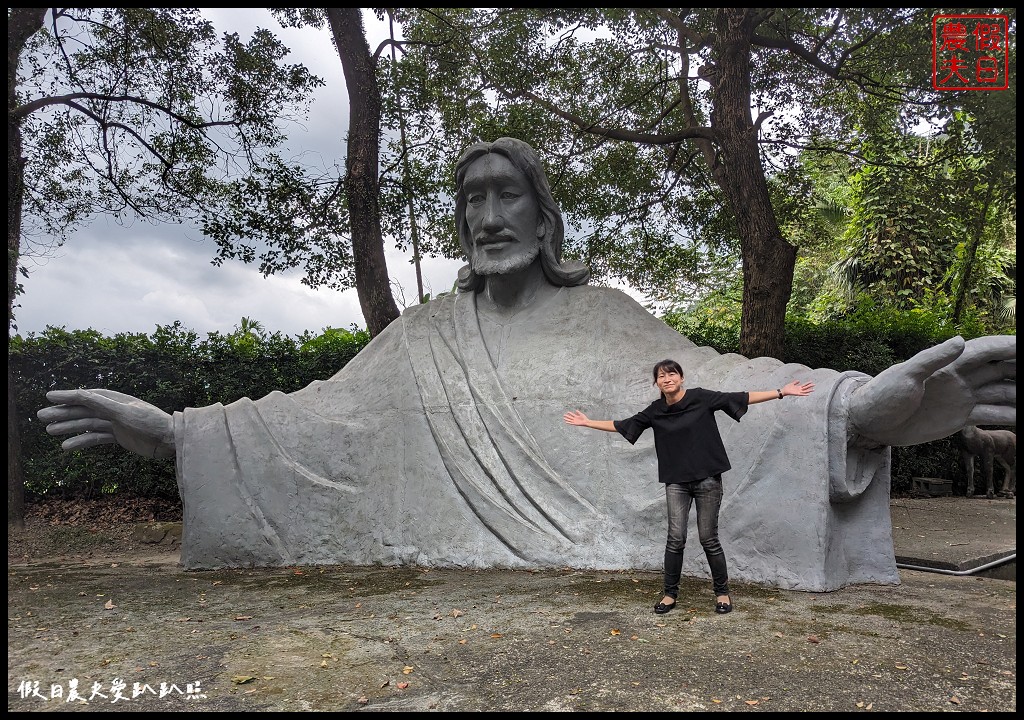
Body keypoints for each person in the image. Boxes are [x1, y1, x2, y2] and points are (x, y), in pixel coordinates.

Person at [37, 137, 1016, 591]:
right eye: (472, 200)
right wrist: (175, 435)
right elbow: (312, 423)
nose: (488, 216)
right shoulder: (424, 338)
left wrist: (852, 412)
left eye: (508, 196)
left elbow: (713, 386)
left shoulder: (604, 320)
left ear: (546, 221)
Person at [564, 360, 814, 614]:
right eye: (661, 376)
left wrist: (781, 392)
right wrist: (588, 422)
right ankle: (669, 595)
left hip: (708, 479)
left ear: (681, 378)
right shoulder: (655, 410)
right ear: (657, 383)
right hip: (676, 483)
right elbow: (623, 425)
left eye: (672, 374)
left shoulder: (701, 398)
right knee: (675, 539)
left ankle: (722, 593)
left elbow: (741, 397)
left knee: (708, 538)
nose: (667, 378)